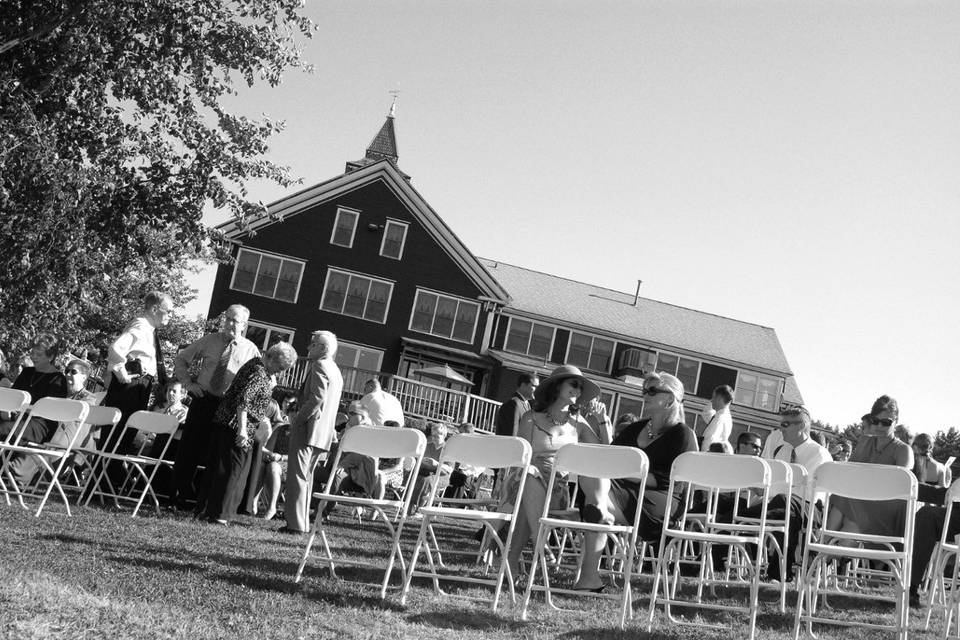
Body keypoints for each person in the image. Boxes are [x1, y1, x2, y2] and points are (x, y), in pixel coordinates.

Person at [575, 372, 697, 591]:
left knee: (598, 496)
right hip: (619, 492)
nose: (645, 395)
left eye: (652, 390)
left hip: (661, 501)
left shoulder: (683, 434)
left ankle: (598, 519)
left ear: (670, 399)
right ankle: (589, 574)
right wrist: (584, 425)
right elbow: (606, 456)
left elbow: (667, 481)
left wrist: (623, 473)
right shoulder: (634, 429)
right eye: (644, 390)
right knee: (595, 482)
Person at [504, 365, 609, 582]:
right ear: (557, 385)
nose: (578, 390)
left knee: (529, 492)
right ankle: (539, 549)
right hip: (523, 481)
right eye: (573, 384)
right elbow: (521, 457)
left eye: (580, 387)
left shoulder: (578, 423)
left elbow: (604, 453)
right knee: (529, 475)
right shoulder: (531, 418)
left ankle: (515, 561)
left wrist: (601, 420)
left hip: (557, 490)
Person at [170, 304, 260, 509]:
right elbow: (181, 358)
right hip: (203, 400)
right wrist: (188, 383)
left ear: (244, 325)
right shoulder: (209, 340)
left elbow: (260, 378)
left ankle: (204, 501)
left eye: (234, 321)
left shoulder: (250, 349)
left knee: (217, 455)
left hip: (227, 407)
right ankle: (178, 498)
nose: (229, 323)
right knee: (189, 450)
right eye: (227, 318)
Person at [202, 342, 298, 524]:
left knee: (224, 469)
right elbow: (243, 402)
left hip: (227, 422)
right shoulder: (258, 373)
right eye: (280, 367)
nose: (280, 372)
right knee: (232, 470)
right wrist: (242, 430)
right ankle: (220, 515)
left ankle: (211, 511)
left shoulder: (255, 364)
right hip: (235, 425)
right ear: (270, 357)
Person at [282, 330, 343, 534]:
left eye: (313, 343)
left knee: (297, 478)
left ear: (323, 348)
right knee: (306, 479)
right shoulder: (336, 370)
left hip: (308, 430)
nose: (308, 347)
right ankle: (302, 523)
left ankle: (296, 525)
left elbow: (316, 398)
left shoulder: (319, 365)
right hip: (322, 433)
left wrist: (297, 421)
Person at [827, 395, 913, 538]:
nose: (879, 426)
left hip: (884, 510)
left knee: (849, 510)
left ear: (896, 422)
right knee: (845, 502)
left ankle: (822, 550)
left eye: (886, 422)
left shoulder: (903, 450)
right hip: (858, 503)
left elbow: (902, 485)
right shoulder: (865, 442)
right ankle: (826, 550)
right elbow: (850, 472)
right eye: (875, 421)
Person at [100, 292, 174, 455]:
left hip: (139, 386)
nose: (170, 316)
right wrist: (121, 373)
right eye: (168, 311)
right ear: (155, 309)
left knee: (125, 434)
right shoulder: (141, 326)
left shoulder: (149, 329)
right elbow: (115, 349)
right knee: (117, 435)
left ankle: (106, 476)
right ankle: (102, 476)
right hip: (130, 386)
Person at [6, 358, 98, 488]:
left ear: (84, 377)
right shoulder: (58, 392)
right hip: (51, 435)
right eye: (66, 371)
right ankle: (18, 471)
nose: (67, 374)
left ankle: (20, 472)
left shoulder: (89, 398)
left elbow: (77, 424)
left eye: (73, 372)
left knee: (52, 435)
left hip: (70, 441)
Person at [0, 334, 67, 442]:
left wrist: (21, 412)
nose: (33, 356)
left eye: (38, 354)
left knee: (3, 429)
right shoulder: (27, 372)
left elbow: (49, 410)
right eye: (32, 352)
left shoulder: (58, 379)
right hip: (17, 417)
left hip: (40, 424)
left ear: (51, 357)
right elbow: (13, 396)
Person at [494, 373, 538, 437]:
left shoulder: (526, 404)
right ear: (523, 385)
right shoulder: (514, 404)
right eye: (534, 386)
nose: (537, 389)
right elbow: (512, 435)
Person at [699, 384, 734, 453]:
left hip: (710, 457)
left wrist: (702, 457)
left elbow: (709, 440)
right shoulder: (724, 415)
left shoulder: (720, 417)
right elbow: (707, 413)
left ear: (719, 398)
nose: (711, 400)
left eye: (713, 397)